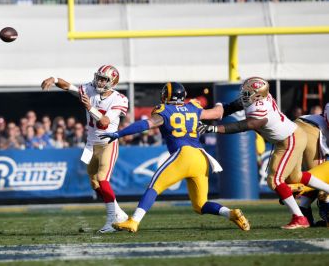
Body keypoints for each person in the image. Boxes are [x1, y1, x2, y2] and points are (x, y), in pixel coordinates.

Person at [100, 82, 250, 233]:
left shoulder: (164, 110)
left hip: (183, 154)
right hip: (201, 157)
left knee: (154, 187)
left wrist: (119, 134)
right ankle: (231, 213)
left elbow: (146, 124)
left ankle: (134, 221)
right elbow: (218, 113)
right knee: (200, 205)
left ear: (166, 95)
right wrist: (239, 103)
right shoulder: (193, 107)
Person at [198, 77, 329, 229]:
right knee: (296, 177)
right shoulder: (256, 98)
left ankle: (299, 217)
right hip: (290, 136)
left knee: (274, 180)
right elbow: (232, 107)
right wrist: (212, 112)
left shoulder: (260, 110)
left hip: (290, 140)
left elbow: (244, 125)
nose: (245, 94)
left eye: (249, 92)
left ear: (258, 95)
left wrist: (214, 128)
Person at [41, 65, 128, 233]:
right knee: (95, 183)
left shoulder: (120, 99)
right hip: (91, 144)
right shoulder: (89, 88)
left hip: (108, 143)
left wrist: (89, 107)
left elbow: (104, 122)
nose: (100, 81)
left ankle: (112, 221)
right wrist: (54, 79)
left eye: (104, 79)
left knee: (103, 179)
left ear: (113, 82)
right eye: (99, 77)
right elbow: (69, 87)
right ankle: (119, 214)